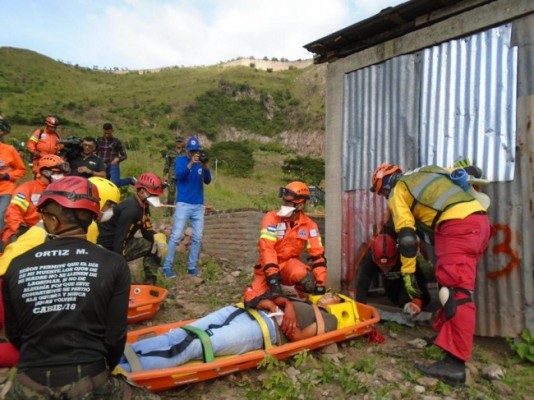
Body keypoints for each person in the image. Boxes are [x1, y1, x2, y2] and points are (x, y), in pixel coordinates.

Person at [1, 176, 159, 399]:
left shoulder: (17, 265)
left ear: (53, 221)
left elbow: (15, 335)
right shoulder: (114, 264)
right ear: (92, 218)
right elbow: (115, 338)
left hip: (29, 384)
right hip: (91, 379)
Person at [370, 162, 492, 384]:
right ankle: (445, 339)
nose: (385, 197)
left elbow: (407, 239)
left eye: (382, 192)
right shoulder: (430, 169)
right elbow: (471, 172)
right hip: (478, 221)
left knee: (455, 292)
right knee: (449, 285)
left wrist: (408, 275)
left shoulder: (399, 190)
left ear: (386, 184)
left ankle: (455, 364)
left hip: (456, 225)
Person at [118, 294, 340, 372]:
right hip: (241, 310)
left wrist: (283, 315)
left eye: (335, 298)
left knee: (197, 344)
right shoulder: (301, 299)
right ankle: (117, 356)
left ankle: (122, 370)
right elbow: (270, 296)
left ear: (337, 305)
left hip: (259, 329)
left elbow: (300, 339)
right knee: (180, 333)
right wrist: (284, 304)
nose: (329, 296)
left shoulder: (328, 318)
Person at [243, 182, 327, 308]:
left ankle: (295, 293)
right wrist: (272, 279)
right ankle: (274, 289)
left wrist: (321, 284)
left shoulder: (310, 226)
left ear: (300, 205)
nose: (284, 205)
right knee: (250, 300)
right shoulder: (271, 218)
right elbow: (267, 249)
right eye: (284, 202)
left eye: (288, 203)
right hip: (267, 266)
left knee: (303, 276)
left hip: (289, 266)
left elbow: (318, 256)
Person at [97, 172, 168, 285]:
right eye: (153, 194)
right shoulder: (131, 210)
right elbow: (119, 240)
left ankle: (150, 281)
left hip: (122, 242)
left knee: (155, 244)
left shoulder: (143, 206)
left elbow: (145, 230)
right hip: (107, 248)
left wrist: (156, 236)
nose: (155, 198)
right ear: (141, 192)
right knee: (120, 280)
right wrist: (120, 266)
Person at [162, 136, 211, 278]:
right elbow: (180, 176)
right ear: (187, 151)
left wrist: (205, 165)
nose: (193, 153)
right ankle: (166, 266)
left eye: (195, 151)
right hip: (183, 203)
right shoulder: (181, 161)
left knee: (197, 237)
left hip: (198, 205)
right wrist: (190, 163)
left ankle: (191, 266)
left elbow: (208, 180)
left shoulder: (201, 164)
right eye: (191, 151)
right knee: (176, 235)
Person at [1, 154, 68, 247]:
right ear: (45, 172)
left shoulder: (61, 190)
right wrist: (19, 230)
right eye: (57, 173)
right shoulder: (27, 189)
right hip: (26, 232)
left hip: (52, 233)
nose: (61, 176)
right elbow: (13, 212)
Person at [356, 232, 431, 315]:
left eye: (388, 264)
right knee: (397, 300)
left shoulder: (404, 256)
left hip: (408, 276)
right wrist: (360, 310)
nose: (385, 267)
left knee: (424, 299)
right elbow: (362, 286)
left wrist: (417, 301)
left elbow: (417, 277)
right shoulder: (370, 259)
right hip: (391, 281)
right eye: (382, 265)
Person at [0, 117, 27, 237]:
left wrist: (6, 175)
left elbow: (21, 170)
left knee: (1, 216)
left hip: (5, 190)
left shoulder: (9, 150)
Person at [96, 122, 134, 187]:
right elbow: (95, 153)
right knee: (103, 185)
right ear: (103, 131)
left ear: (112, 131)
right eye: (105, 133)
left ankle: (130, 180)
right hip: (102, 166)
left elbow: (124, 155)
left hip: (113, 165)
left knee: (115, 183)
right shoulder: (98, 140)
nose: (106, 135)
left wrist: (118, 159)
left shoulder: (117, 141)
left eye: (108, 133)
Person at [162, 135, 186, 216]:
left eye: (180, 142)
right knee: (171, 195)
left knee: (182, 194)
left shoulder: (186, 153)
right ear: (175, 142)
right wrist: (165, 175)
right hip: (172, 176)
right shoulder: (170, 152)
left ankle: (180, 211)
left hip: (182, 176)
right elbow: (167, 165)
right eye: (178, 141)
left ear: (183, 143)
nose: (179, 143)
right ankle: (169, 210)